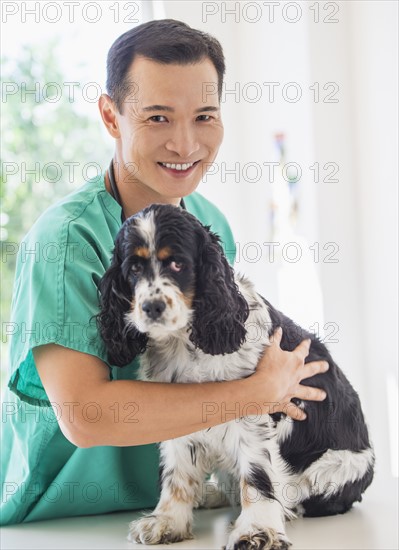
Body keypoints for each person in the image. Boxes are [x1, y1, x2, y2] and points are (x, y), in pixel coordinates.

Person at [1, 19, 328, 525]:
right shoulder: (66, 241)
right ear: (111, 116)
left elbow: (212, 365)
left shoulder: (209, 223)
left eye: (204, 116)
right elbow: (87, 415)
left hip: (178, 511)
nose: (185, 143)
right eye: (157, 117)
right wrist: (257, 393)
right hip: (67, 520)